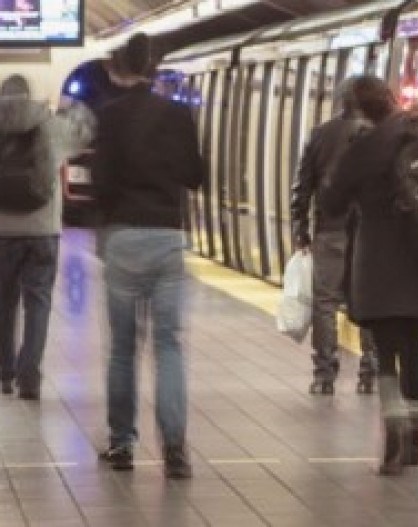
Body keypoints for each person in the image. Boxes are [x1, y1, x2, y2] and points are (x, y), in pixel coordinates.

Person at [320, 76, 418, 476]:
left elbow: (331, 202)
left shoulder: (362, 150)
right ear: (391, 99)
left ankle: (394, 433)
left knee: (387, 355)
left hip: (378, 267)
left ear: (358, 110)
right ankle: (416, 438)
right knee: (416, 353)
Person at [93, 33, 204, 479]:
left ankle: (122, 445)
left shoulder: (109, 116)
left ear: (119, 70)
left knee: (123, 349)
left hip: (123, 237)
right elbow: (196, 176)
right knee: (169, 345)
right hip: (166, 237)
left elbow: (99, 183)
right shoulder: (179, 115)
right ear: (155, 69)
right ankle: (175, 448)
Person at [0, 74, 94, 399]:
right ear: (30, 96)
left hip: (2, 233)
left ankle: (4, 373)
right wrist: (70, 105)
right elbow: (85, 132)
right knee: (37, 304)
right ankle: (29, 378)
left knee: (4, 303)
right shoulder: (51, 126)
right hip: (42, 231)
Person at [290, 78, 378, 396]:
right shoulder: (379, 135)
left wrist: (300, 227)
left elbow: (303, 185)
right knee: (368, 300)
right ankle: (370, 370)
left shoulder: (321, 134)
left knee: (324, 304)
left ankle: (324, 375)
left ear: (340, 102)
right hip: (369, 234)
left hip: (330, 231)